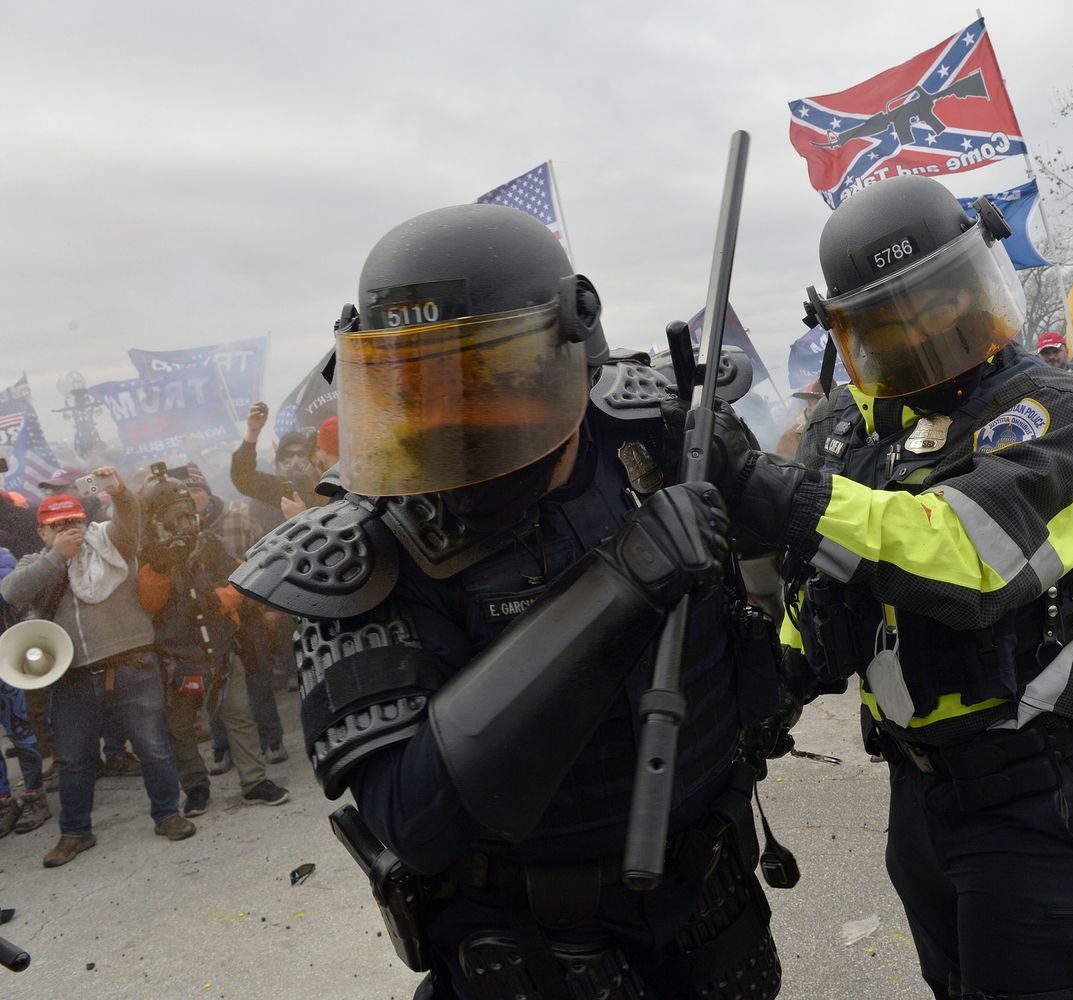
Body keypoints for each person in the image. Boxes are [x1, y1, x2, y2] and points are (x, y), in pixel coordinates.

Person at [233, 203, 790, 999]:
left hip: (713, 904)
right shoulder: (360, 550)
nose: (454, 418)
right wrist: (624, 583)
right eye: (419, 389)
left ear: (563, 358)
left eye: (486, 383)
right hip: (535, 953)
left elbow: (807, 538)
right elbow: (415, 820)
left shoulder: (661, 435)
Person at [744, 176, 1073, 998]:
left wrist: (790, 497)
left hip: (1027, 793)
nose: (921, 331)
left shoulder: (1054, 410)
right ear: (848, 331)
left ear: (980, 283)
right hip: (915, 788)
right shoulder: (846, 425)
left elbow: (974, 563)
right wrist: (774, 679)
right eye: (888, 319)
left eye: (940, 302)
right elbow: (820, 583)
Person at [0, 475, 195, 868]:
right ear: (42, 531)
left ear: (85, 523)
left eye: (74, 522)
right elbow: (12, 592)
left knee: (152, 747)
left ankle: (168, 815)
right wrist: (57, 556)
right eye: (58, 526)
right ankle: (75, 831)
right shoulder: (35, 563)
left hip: (132, 663)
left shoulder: (111, 542)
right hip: (73, 676)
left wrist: (121, 492)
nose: (69, 530)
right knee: (74, 759)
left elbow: (131, 520)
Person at [136, 468, 290, 817]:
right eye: (171, 514)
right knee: (181, 730)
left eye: (184, 511)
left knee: (239, 715)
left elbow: (242, 579)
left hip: (220, 647)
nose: (181, 520)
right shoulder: (148, 557)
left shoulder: (209, 544)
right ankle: (196, 788)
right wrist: (159, 568)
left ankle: (254, 783)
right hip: (177, 656)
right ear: (154, 518)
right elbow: (149, 603)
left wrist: (218, 598)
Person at [179, 465, 287, 764]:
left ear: (207, 491)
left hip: (247, 612)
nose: (193, 496)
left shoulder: (237, 518)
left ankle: (272, 740)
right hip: (207, 623)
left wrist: (271, 607)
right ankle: (222, 748)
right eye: (186, 492)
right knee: (215, 685)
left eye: (197, 489)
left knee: (258, 680)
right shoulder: (177, 530)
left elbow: (265, 560)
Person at [0, 544, 50, 837]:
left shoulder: (3, 556)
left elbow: (13, 595)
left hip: (6, 658)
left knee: (21, 731)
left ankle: (35, 795)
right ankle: (4, 801)